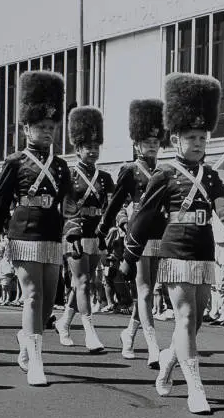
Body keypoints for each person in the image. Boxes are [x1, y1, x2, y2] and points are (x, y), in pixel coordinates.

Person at [120, 73, 224, 414]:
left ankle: (167, 362)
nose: (197, 143)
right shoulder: (164, 174)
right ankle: (195, 387)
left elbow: (223, 203)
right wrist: (129, 253)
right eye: (191, 137)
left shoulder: (210, 176)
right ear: (176, 139)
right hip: (175, 249)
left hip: (204, 250)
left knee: (197, 321)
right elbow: (145, 216)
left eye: (202, 137)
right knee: (185, 315)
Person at [0, 71, 76, 386]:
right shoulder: (15, 161)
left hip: (51, 233)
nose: (47, 132)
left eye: (51, 128)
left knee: (49, 300)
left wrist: (73, 230)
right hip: (23, 232)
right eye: (41, 127)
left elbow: (70, 203)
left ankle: (26, 338)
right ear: (26, 128)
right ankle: (37, 362)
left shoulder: (62, 165)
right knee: (32, 295)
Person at [98, 99, 166, 367]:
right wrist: (106, 227)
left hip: (159, 234)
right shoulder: (130, 170)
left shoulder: (165, 170)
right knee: (145, 292)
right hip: (138, 235)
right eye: (146, 141)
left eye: (155, 141)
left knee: (151, 291)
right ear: (137, 144)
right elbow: (115, 204)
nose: (152, 145)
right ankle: (152, 345)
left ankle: (129, 333)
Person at [54, 106, 113, 353]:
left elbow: (111, 205)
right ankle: (90, 333)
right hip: (74, 234)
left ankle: (64, 323)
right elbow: (63, 205)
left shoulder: (105, 177)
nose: (92, 150)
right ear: (77, 148)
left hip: (95, 235)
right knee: (83, 281)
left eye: (96, 146)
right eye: (87, 146)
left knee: (82, 284)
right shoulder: (68, 174)